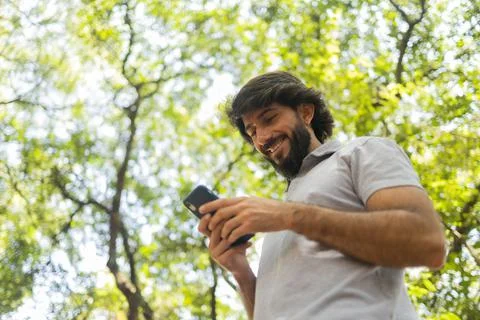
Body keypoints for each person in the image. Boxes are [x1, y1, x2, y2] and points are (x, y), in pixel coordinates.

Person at [197, 71, 446, 320]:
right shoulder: (278, 221)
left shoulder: (361, 152)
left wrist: (290, 216)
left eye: (269, 118)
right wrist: (241, 271)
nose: (262, 138)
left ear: (306, 113)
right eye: (252, 132)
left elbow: (427, 241)